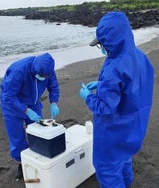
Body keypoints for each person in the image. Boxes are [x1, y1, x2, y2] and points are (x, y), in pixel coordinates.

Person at [79, 11, 154, 188]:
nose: (102, 47)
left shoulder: (114, 68)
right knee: (124, 158)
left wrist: (88, 96)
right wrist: (102, 84)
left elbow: (105, 108)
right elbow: (133, 85)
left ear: (111, 41)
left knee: (107, 168)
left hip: (113, 131)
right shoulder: (140, 56)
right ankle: (127, 183)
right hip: (133, 128)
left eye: (102, 43)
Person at [0, 52, 60, 180]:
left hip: (33, 103)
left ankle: (38, 159)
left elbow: (53, 86)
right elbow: (9, 95)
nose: (44, 77)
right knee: (17, 137)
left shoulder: (48, 70)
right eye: (41, 75)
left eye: (46, 76)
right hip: (12, 105)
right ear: (35, 70)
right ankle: (22, 164)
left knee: (38, 132)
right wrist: (25, 111)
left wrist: (54, 102)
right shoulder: (18, 70)